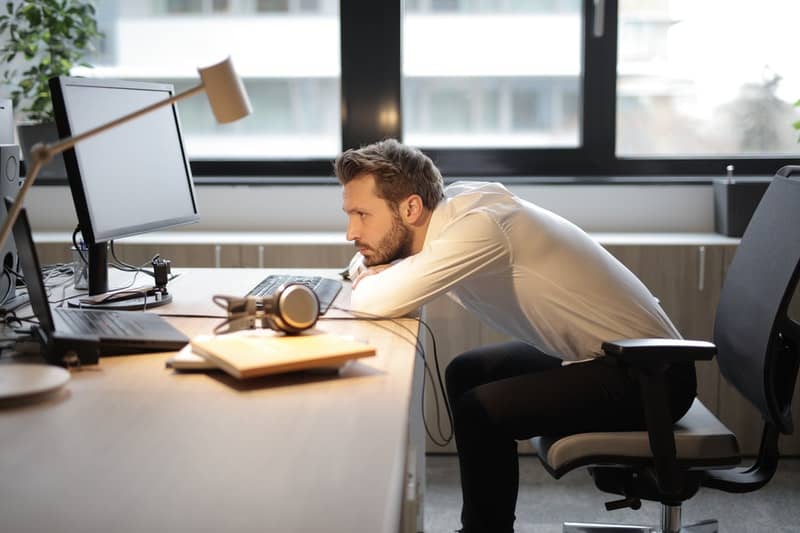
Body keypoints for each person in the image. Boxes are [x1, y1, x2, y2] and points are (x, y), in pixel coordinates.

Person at [335, 139, 697, 533]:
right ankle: (484, 524)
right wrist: (369, 268)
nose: (351, 232)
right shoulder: (453, 208)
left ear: (411, 208)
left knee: (480, 411)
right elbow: (365, 269)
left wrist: (370, 275)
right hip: (608, 356)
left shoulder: (479, 228)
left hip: (651, 374)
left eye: (362, 215)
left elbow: (373, 300)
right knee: (466, 371)